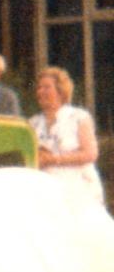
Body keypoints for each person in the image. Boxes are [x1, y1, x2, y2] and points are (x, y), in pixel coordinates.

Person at [29, 66, 105, 206]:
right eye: (39, 88)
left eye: (46, 87)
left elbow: (90, 154)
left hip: (78, 190)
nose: (40, 92)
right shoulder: (33, 123)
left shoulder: (79, 117)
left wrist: (53, 159)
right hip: (44, 191)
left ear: (61, 91)